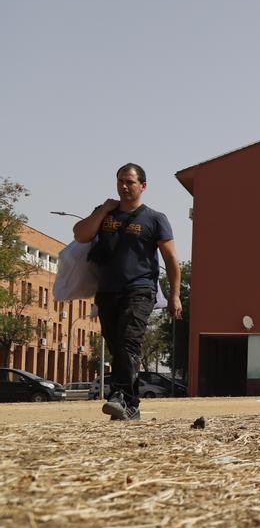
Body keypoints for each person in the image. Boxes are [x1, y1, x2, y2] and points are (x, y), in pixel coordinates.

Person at [73, 163, 181, 421]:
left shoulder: (155, 219)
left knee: (128, 341)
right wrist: (103, 210)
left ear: (143, 186)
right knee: (117, 347)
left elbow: (171, 260)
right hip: (108, 291)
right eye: (120, 181)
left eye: (130, 182)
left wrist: (175, 295)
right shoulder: (105, 214)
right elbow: (80, 235)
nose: (124, 186)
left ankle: (118, 395)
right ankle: (130, 407)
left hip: (141, 289)